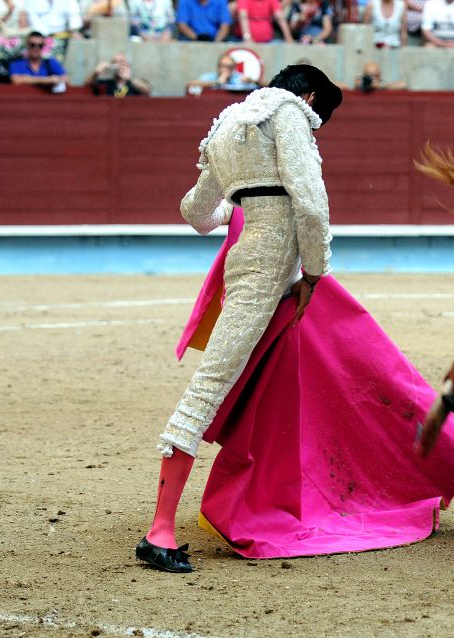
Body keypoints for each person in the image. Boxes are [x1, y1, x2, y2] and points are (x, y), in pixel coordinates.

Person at [136, 64, 342, 572]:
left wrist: (244, 206)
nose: (315, 123)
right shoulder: (290, 113)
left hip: (246, 257)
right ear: (309, 96)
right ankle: (160, 529)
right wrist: (315, 273)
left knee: (256, 373)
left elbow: (196, 211)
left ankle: (266, 493)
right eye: (320, 115)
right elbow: (311, 204)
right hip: (272, 265)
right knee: (211, 383)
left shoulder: (231, 121)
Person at [86, 52, 152, 96]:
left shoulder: (134, 84)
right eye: (116, 62)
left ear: (128, 65)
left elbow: (147, 90)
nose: (119, 65)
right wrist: (95, 73)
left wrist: (128, 79)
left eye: (122, 61)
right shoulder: (107, 83)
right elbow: (87, 86)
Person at [187, 52, 259, 90]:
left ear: (234, 68)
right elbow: (190, 84)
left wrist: (252, 81)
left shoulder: (238, 77)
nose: (227, 69)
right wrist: (217, 83)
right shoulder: (211, 76)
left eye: (230, 67)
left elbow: (266, 86)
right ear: (218, 67)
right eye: (224, 66)